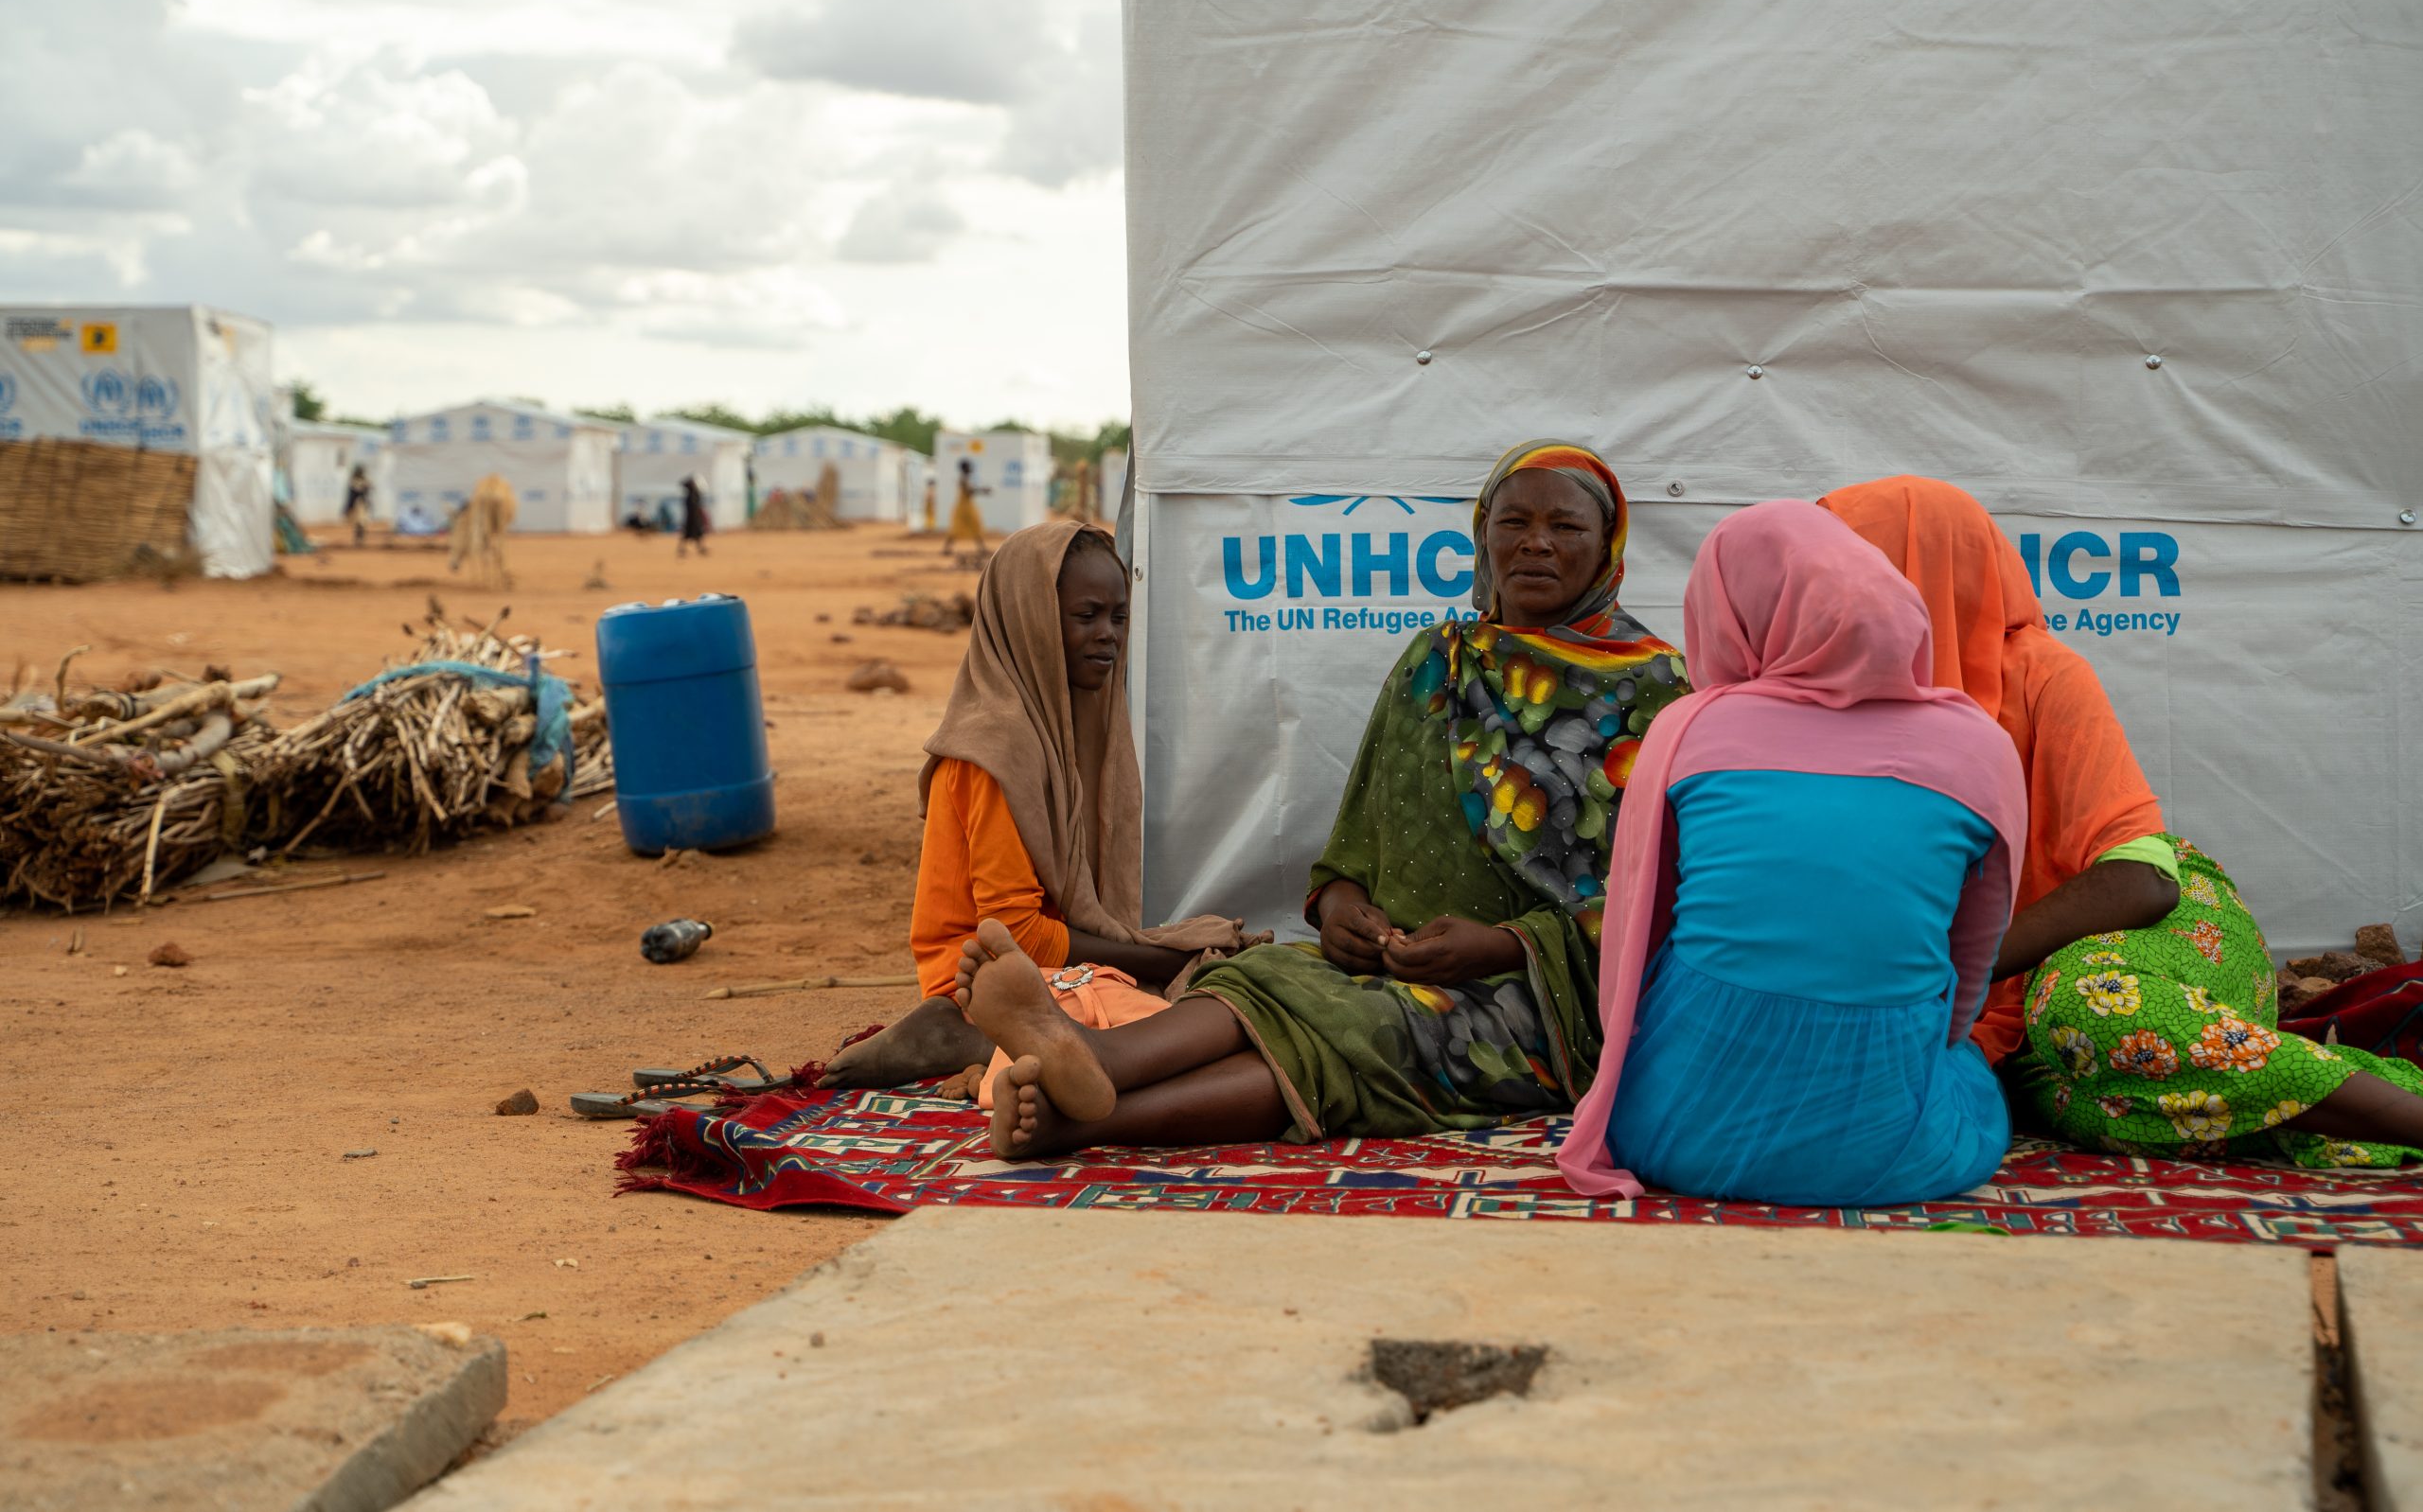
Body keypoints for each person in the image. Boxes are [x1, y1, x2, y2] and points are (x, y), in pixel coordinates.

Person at [954, 440, 1688, 1159]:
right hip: (1394, 959)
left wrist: (1501, 944)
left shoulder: (1654, 691)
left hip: (1549, 997)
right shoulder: (1437, 661)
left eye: (1565, 527)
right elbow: (1354, 848)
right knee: (1266, 973)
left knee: (1363, 1027)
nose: (1535, 544)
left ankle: (1081, 1120)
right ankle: (1095, 1055)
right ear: (1482, 535)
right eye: (1513, 523)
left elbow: (1661, 895)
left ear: (1606, 548)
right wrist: (1340, 911)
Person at [1820, 476, 2423, 1167]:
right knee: (2085, 1105)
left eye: (1844, 565)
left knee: (2089, 1004)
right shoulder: (1831, 698)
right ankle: (2324, 1094)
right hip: (2005, 1005)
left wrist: (1956, 967)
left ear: (1915, 570)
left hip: (2147, 922)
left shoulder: (2042, 673)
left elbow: (2140, 879)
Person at [1556, 502, 2026, 1204]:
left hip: (1680, 1132)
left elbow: (1639, 942)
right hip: (1892, 1151)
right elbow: (1966, 979)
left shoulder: (1694, 727)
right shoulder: (1980, 745)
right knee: (1965, 1075)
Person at [822, 521, 1251, 1088]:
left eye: (1118, 618)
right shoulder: (995, 749)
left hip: (1056, 966)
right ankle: (967, 1033)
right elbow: (1017, 933)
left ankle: (1000, 1045)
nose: (1108, 635)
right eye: (1085, 616)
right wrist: (1167, 962)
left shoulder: (1074, 728)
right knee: (1191, 1031)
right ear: (1029, 621)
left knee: (1214, 997)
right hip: (982, 975)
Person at [944, 459, 988, 557]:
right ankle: (982, 548)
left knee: (965, 525)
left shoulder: (964, 478)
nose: (970, 469)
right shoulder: (964, 479)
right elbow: (969, 491)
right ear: (965, 468)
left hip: (965, 505)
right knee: (972, 524)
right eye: (969, 467)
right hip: (965, 506)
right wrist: (983, 490)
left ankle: (947, 548)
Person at [678, 475, 710, 558]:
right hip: (693, 520)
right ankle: (682, 549)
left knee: (695, 535)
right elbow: (694, 510)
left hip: (692, 520)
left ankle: (698, 548)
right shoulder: (692, 497)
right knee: (691, 534)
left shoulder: (692, 496)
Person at [343, 463, 373, 548]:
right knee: (358, 523)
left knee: (362, 522)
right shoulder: (354, 481)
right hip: (357, 504)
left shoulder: (364, 481)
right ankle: (358, 539)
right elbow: (353, 493)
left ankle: (360, 539)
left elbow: (369, 488)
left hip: (362, 504)